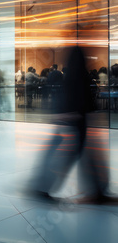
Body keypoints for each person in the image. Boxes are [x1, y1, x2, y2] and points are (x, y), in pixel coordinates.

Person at [30, 46, 117, 204]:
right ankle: (97, 191)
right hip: (77, 120)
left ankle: (42, 187)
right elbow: (82, 97)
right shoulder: (79, 75)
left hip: (74, 120)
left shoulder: (70, 75)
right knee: (76, 156)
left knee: (71, 155)